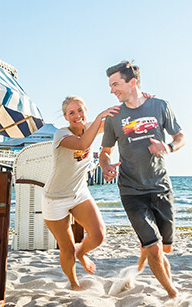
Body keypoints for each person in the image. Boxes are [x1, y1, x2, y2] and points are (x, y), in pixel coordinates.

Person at [99, 61, 185, 298]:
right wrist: (106, 167)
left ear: (132, 82)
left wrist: (168, 147)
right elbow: (104, 152)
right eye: (110, 85)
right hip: (131, 190)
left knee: (164, 247)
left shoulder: (160, 106)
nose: (111, 90)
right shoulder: (114, 117)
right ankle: (172, 293)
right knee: (154, 248)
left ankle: (143, 255)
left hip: (160, 187)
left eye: (115, 84)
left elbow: (180, 136)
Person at [44, 96, 119, 290]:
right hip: (55, 199)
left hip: (79, 193)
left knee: (99, 235)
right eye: (71, 113)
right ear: (66, 116)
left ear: (86, 111)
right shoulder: (61, 135)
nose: (77, 116)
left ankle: (82, 253)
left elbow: (117, 120)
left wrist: (139, 101)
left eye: (80, 110)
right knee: (66, 249)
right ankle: (74, 284)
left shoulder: (90, 127)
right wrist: (100, 118)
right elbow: (82, 145)